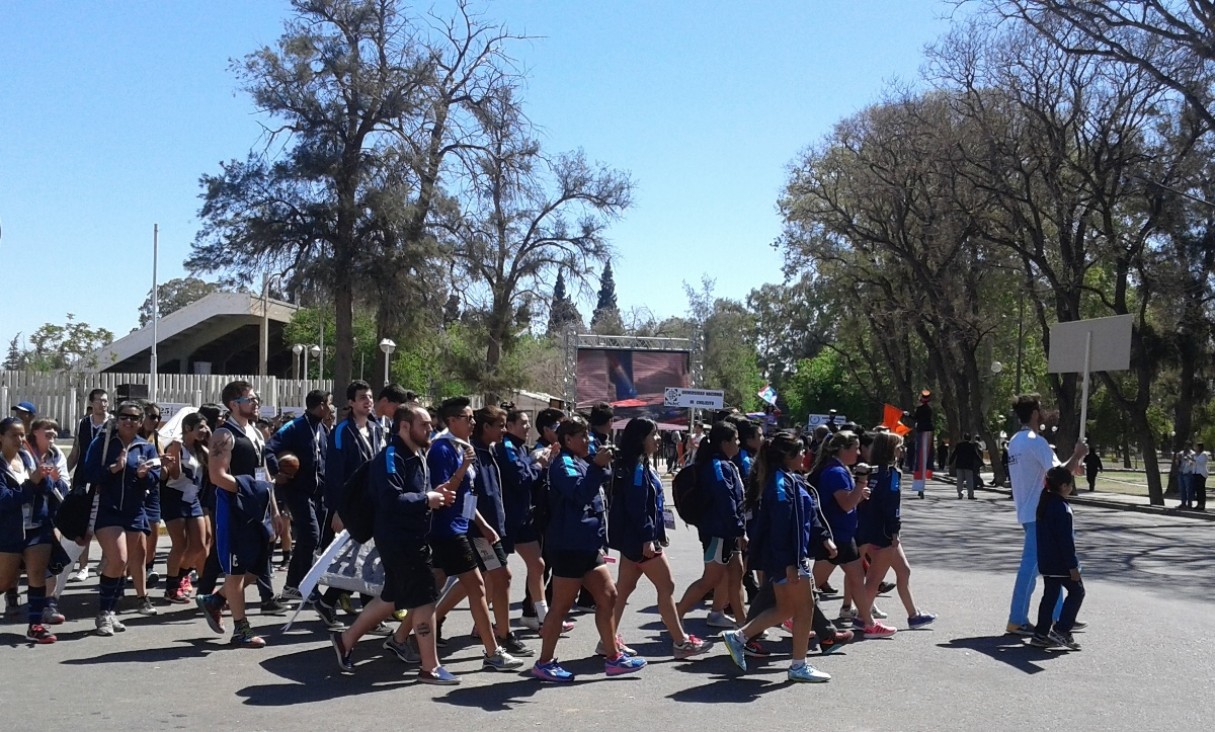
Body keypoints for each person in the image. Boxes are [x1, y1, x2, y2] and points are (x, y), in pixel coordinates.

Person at [329, 403, 460, 683]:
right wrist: (427, 499)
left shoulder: (416, 453)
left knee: (391, 597)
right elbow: (390, 499)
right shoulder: (391, 455)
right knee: (425, 599)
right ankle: (430, 667)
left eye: (430, 425)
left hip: (411, 537)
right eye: (423, 425)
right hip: (401, 540)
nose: (430, 429)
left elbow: (409, 494)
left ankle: (345, 640)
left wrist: (431, 495)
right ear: (404, 426)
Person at [391, 396, 523, 671]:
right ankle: (492, 651)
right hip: (446, 530)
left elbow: (466, 495)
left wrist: (483, 524)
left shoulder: (461, 446)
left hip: (459, 526)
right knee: (477, 587)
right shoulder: (442, 449)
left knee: (432, 588)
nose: (473, 422)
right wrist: (463, 467)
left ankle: (399, 637)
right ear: (452, 421)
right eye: (468, 418)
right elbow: (444, 491)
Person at [532, 417, 647, 682]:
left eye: (587, 435)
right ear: (567, 440)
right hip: (569, 546)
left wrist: (600, 461)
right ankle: (544, 662)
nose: (587, 440)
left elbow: (604, 478)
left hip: (587, 544)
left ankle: (613, 656)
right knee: (560, 607)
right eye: (581, 436)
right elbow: (579, 493)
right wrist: (596, 464)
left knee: (609, 596)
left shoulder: (583, 461)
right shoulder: (564, 464)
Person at [720, 431, 832, 683]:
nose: (805, 455)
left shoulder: (789, 479)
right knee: (805, 608)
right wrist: (790, 563)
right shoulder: (781, 484)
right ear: (787, 456)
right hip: (788, 558)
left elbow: (807, 513)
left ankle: (738, 637)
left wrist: (823, 537)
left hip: (788, 557)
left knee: (787, 607)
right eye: (801, 451)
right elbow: (782, 526)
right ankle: (798, 665)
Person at [429, 404, 532, 658]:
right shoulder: (465, 451)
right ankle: (503, 636)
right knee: (499, 577)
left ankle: (432, 620)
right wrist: (482, 525)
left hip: (483, 526)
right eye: (499, 426)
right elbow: (464, 493)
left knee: (467, 582)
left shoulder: (488, 452)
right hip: (472, 528)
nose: (503, 431)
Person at [608, 417, 709, 660]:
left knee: (623, 589)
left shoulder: (639, 464)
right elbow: (637, 506)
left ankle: (607, 639)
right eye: (652, 434)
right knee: (667, 585)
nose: (657, 438)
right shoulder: (636, 468)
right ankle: (681, 642)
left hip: (636, 540)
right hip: (641, 541)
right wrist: (647, 538)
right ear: (639, 438)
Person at [1005, 394, 1085, 636]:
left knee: (1053, 566)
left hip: (1029, 511)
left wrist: (1072, 464)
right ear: (1035, 413)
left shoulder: (1015, 441)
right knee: (1030, 569)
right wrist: (1078, 453)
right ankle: (1017, 619)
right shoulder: (1035, 441)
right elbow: (1058, 474)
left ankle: (1060, 616)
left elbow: (1049, 469)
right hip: (1041, 513)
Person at [84, 401, 161, 636]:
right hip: (107, 510)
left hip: (135, 510)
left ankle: (111, 611)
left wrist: (143, 476)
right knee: (118, 559)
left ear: (141, 422)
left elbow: (156, 478)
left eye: (135, 418)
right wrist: (113, 470)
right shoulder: (104, 443)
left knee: (124, 564)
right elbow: (88, 473)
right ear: (117, 420)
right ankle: (103, 614)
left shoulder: (145, 447)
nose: (129, 421)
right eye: (124, 416)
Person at [810, 430, 895, 638]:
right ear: (842, 449)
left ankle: (868, 623)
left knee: (857, 579)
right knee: (809, 585)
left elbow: (848, 500)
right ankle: (789, 617)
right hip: (836, 535)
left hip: (844, 535)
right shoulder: (836, 473)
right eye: (855, 448)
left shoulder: (839, 469)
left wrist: (858, 492)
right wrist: (861, 484)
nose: (858, 452)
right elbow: (846, 504)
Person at [317, 380, 383, 626]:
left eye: (370, 397)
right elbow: (334, 474)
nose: (368, 401)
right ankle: (330, 600)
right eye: (362, 398)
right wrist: (336, 511)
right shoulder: (341, 431)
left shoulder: (377, 430)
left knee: (366, 557)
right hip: (350, 505)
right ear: (352, 403)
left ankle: (350, 607)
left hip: (372, 504)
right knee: (353, 556)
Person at [857, 431, 935, 630]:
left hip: (872, 529)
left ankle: (913, 615)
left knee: (903, 570)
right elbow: (892, 505)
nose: (902, 450)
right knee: (874, 579)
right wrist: (893, 531)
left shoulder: (872, 473)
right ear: (891, 450)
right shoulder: (892, 474)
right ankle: (862, 617)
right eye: (899, 447)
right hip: (884, 533)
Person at [675, 421, 748, 630]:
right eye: (735, 440)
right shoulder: (717, 467)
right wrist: (739, 530)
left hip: (728, 531)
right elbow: (725, 500)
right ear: (724, 443)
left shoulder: (725, 464)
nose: (738, 443)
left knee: (736, 575)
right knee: (710, 580)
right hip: (718, 532)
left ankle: (743, 627)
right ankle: (675, 615)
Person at [1, 416, 65, 643]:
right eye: (14, 435)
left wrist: (46, 477)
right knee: (5, 580)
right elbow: (4, 500)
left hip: (38, 526)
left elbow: (46, 489)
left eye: (21, 434)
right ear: (1, 438)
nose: (19, 439)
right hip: (9, 531)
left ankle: (35, 625)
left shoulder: (28, 458)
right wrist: (31, 483)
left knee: (37, 575)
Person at [264, 390, 332, 600]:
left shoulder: (322, 428)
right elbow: (269, 449)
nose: (331, 408)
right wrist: (278, 471)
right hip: (297, 492)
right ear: (321, 405)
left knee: (312, 539)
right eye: (329, 403)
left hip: (318, 494)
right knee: (310, 537)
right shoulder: (294, 427)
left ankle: (292, 585)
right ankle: (306, 586)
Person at [496, 407, 552, 631]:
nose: (528, 427)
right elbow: (520, 477)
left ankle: (540, 615)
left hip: (523, 517)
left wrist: (535, 461)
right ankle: (442, 617)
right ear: (510, 426)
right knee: (493, 577)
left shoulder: (520, 448)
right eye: (524, 423)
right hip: (508, 518)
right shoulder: (507, 447)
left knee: (537, 564)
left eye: (529, 423)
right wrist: (538, 464)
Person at [1029, 467, 1085, 651]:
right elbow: (1065, 542)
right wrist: (1073, 567)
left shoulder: (1044, 503)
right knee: (1077, 592)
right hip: (1061, 563)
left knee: (1050, 596)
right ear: (1062, 486)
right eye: (1070, 485)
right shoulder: (1062, 508)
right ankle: (1062, 630)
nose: (1071, 488)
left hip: (1046, 560)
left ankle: (1040, 634)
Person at [160, 412, 211, 604]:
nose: (204, 431)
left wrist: (210, 437)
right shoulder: (177, 446)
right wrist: (175, 451)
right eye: (201, 427)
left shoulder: (201, 449)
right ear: (188, 428)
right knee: (180, 545)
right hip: (175, 498)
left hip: (193, 498)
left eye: (205, 427)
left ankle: (181, 576)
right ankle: (171, 587)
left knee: (199, 544)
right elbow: (173, 475)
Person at [66, 388, 109, 583]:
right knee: (83, 524)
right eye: (99, 400)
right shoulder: (83, 423)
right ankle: (83, 567)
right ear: (91, 403)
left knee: (105, 523)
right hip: (83, 478)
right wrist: (64, 473)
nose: (103, 404)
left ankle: (105, 561)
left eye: (106, 401)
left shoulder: (113, 423)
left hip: (107, 479)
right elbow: (76, 450)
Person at [911, 390, 934, 498]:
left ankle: (920, 487)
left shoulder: (921, 409)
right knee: (924, 460)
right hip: (928, 432)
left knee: (920, 460)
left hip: (922, 432)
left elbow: (916, 418)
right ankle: (921, 487)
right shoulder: (929, 409)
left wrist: (907, 415)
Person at [951, 434, 979, 500]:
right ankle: (970, 495)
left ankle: (960, 495)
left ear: (963, 438)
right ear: (970, 439)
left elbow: (954, 454)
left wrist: (950, 462)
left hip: (959, 465)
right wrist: (981, 463)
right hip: (968, 466)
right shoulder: (971, 446)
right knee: (969, 481)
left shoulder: (959, 445)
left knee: (960, 481)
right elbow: (976, 455)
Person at [1193, 443, 1208, 511]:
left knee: (1201, 490)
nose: (1195, 448)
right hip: (1196, 473)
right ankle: (1198, 504)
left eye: (1197, 447)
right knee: (1197, 490)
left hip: (1201, 473)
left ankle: (1202, 505)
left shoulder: (1204, 454)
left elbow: (1201, 463)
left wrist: (1193, 460)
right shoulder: (1196, 455)